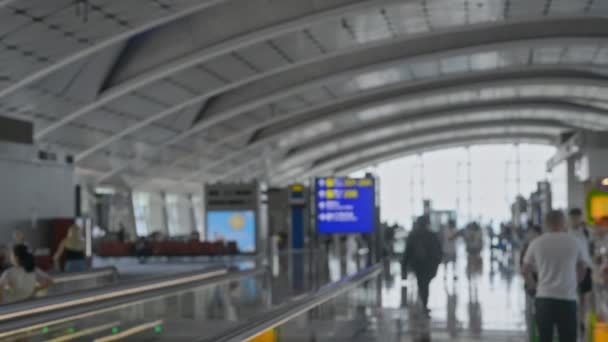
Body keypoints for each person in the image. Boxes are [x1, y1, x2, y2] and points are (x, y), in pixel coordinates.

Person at [523, 210, 586, 342]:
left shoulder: (536, 242)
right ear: (563, 222)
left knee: (545, 338)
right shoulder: (574, 241)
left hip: (544, 298)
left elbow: (525, 269)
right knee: (568, 338)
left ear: (546, 224)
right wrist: (576, 282)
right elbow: (582, 266)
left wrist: (533, 285)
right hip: (567, 298)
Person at [402, 215, 443, 316]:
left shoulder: (413, 235)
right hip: (429, 264)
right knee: (425, 283)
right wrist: (437, 261)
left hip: (418, 264)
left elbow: (407, 251)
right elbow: (438, 250)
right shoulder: (432, 235)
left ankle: (423, 301)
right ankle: (424, 303)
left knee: (422, 283)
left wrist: (404, 265)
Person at [568, 208, 593, 334]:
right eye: (573, 218)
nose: (576, 220)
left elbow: (590, 246)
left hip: (586, 266)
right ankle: (574, 319)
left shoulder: (585, 231)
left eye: (578, 217)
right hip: (572, 268)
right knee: (573, 295)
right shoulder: (567, 233)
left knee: (584, 296)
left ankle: (582, 320)